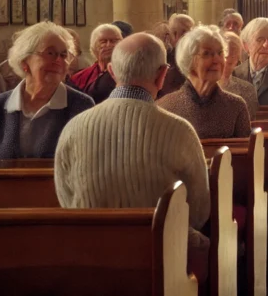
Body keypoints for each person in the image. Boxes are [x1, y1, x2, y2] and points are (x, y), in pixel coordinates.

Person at [54, 33, 211, 280]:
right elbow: (200, 210)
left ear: (112, 72)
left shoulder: (74, 127)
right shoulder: (179, 130)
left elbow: (66, 200)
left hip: (90, 261)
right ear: (162, 75)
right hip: (162, 258)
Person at [0, 22, 94, 168]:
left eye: (64, 54)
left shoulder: (81, 105)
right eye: (50, 53)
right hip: (1, 190)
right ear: (25, 62)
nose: (59, 61)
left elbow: (86, 168)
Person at [157, 25, 251, 139]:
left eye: (220, 53)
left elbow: (245, 154)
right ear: (188, 60)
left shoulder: (236, 107)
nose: (217, 60)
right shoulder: (165, 108)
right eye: (207, 53)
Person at [70, 23, 123, 104]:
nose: (109, 45)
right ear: (93, 47)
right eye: (103, 41)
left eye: (114, 41)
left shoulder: (128, 74)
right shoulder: (79, 77)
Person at [220, 31, 259, 117]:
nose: (225, 66)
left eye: (230, 63)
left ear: (237, 60)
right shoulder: (202, 87)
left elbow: (250, 123)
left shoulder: (246, 89)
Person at [159, 13, 195, 96]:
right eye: (187, 33)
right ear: (174, 34)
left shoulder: (194, 55)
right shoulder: (165, 58)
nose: (192, 37)